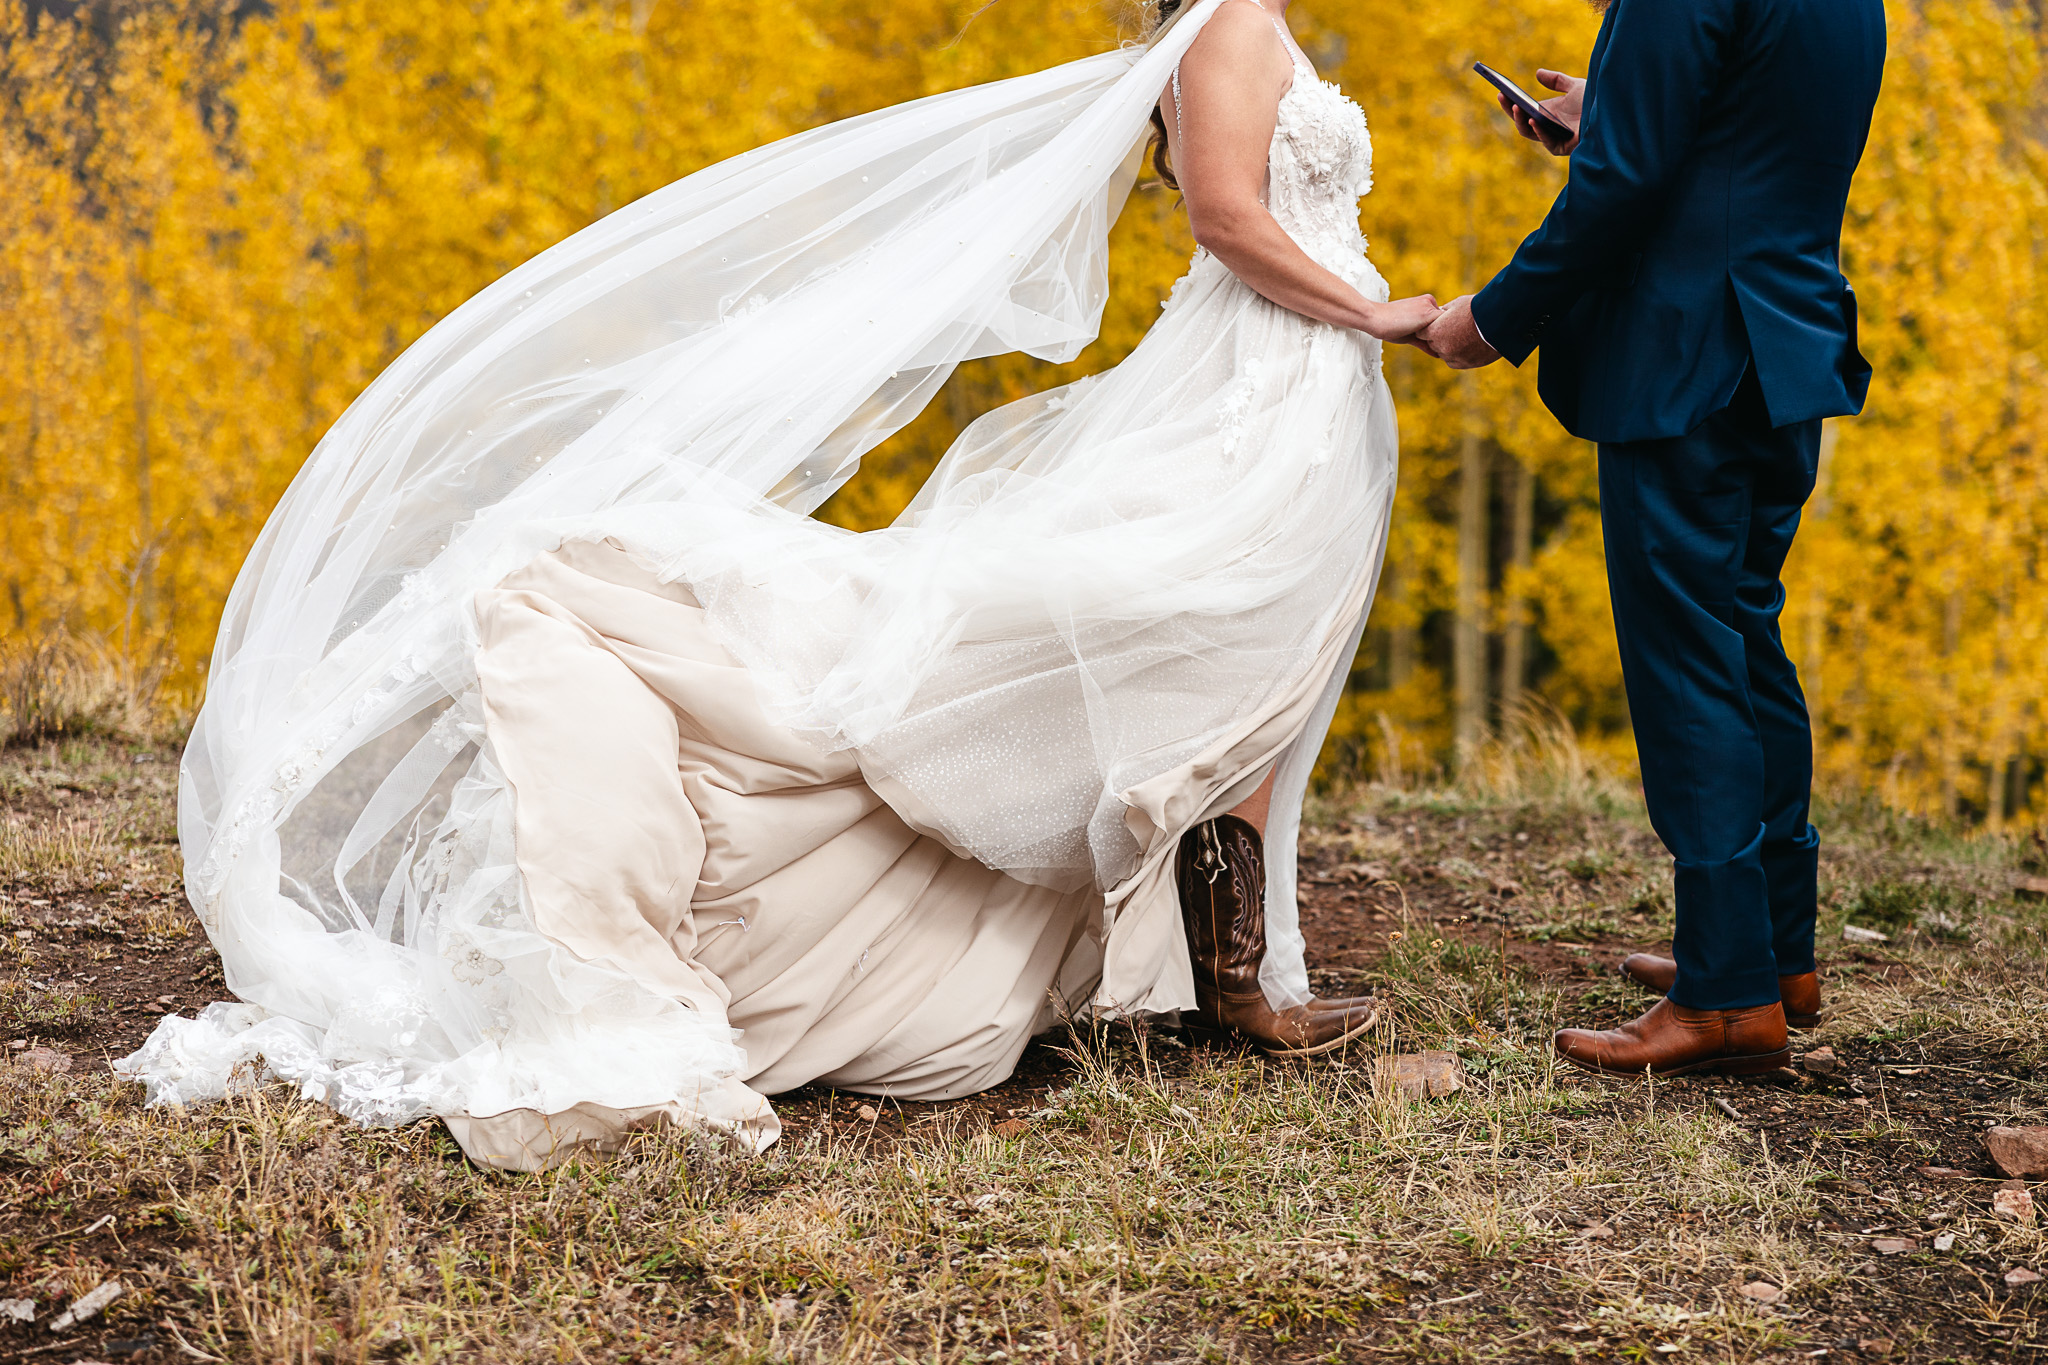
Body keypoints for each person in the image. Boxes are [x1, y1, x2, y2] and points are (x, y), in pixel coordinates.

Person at [118, 0, 1439, 1170]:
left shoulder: (1251, 20)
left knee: (1265, 650)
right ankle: (1239, 974)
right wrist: (1373, 311)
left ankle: (1244, 961)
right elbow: (1224, 214)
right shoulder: (1223, 25)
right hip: (1258, 375)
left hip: (1294, 384)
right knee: (1209, 632)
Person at [1418, 0, 1886, 1076]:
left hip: (1688, 354)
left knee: (1687, 663)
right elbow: (1755, 136)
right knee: (1740, 640)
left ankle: (1724, 995)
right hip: (1783, 338)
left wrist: (1490, 320)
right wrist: (1615, 113)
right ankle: (1771, 953)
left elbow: (1624, 182)